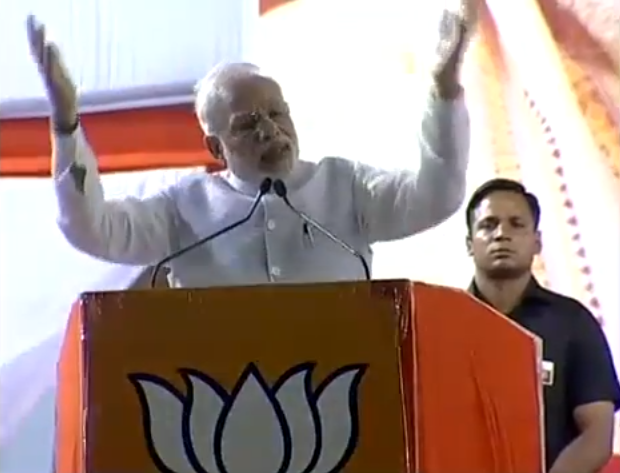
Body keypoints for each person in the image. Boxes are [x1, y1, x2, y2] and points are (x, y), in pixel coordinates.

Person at [26, 6, 474, 288]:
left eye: (277, 113)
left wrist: (445, 88)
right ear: (215, 148)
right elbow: (91, 228)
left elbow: (437, 195)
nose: (270, 131)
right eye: (248, 124)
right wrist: (66, 124)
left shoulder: (345, 185)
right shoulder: (183, 207)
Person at [465, 178, 620, 473]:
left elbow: (597, 435)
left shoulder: (573, 322)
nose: (501, 234)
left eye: (516, 224)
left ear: (537, 242)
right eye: (488, 225)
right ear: (470, 244)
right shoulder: (443, 323)